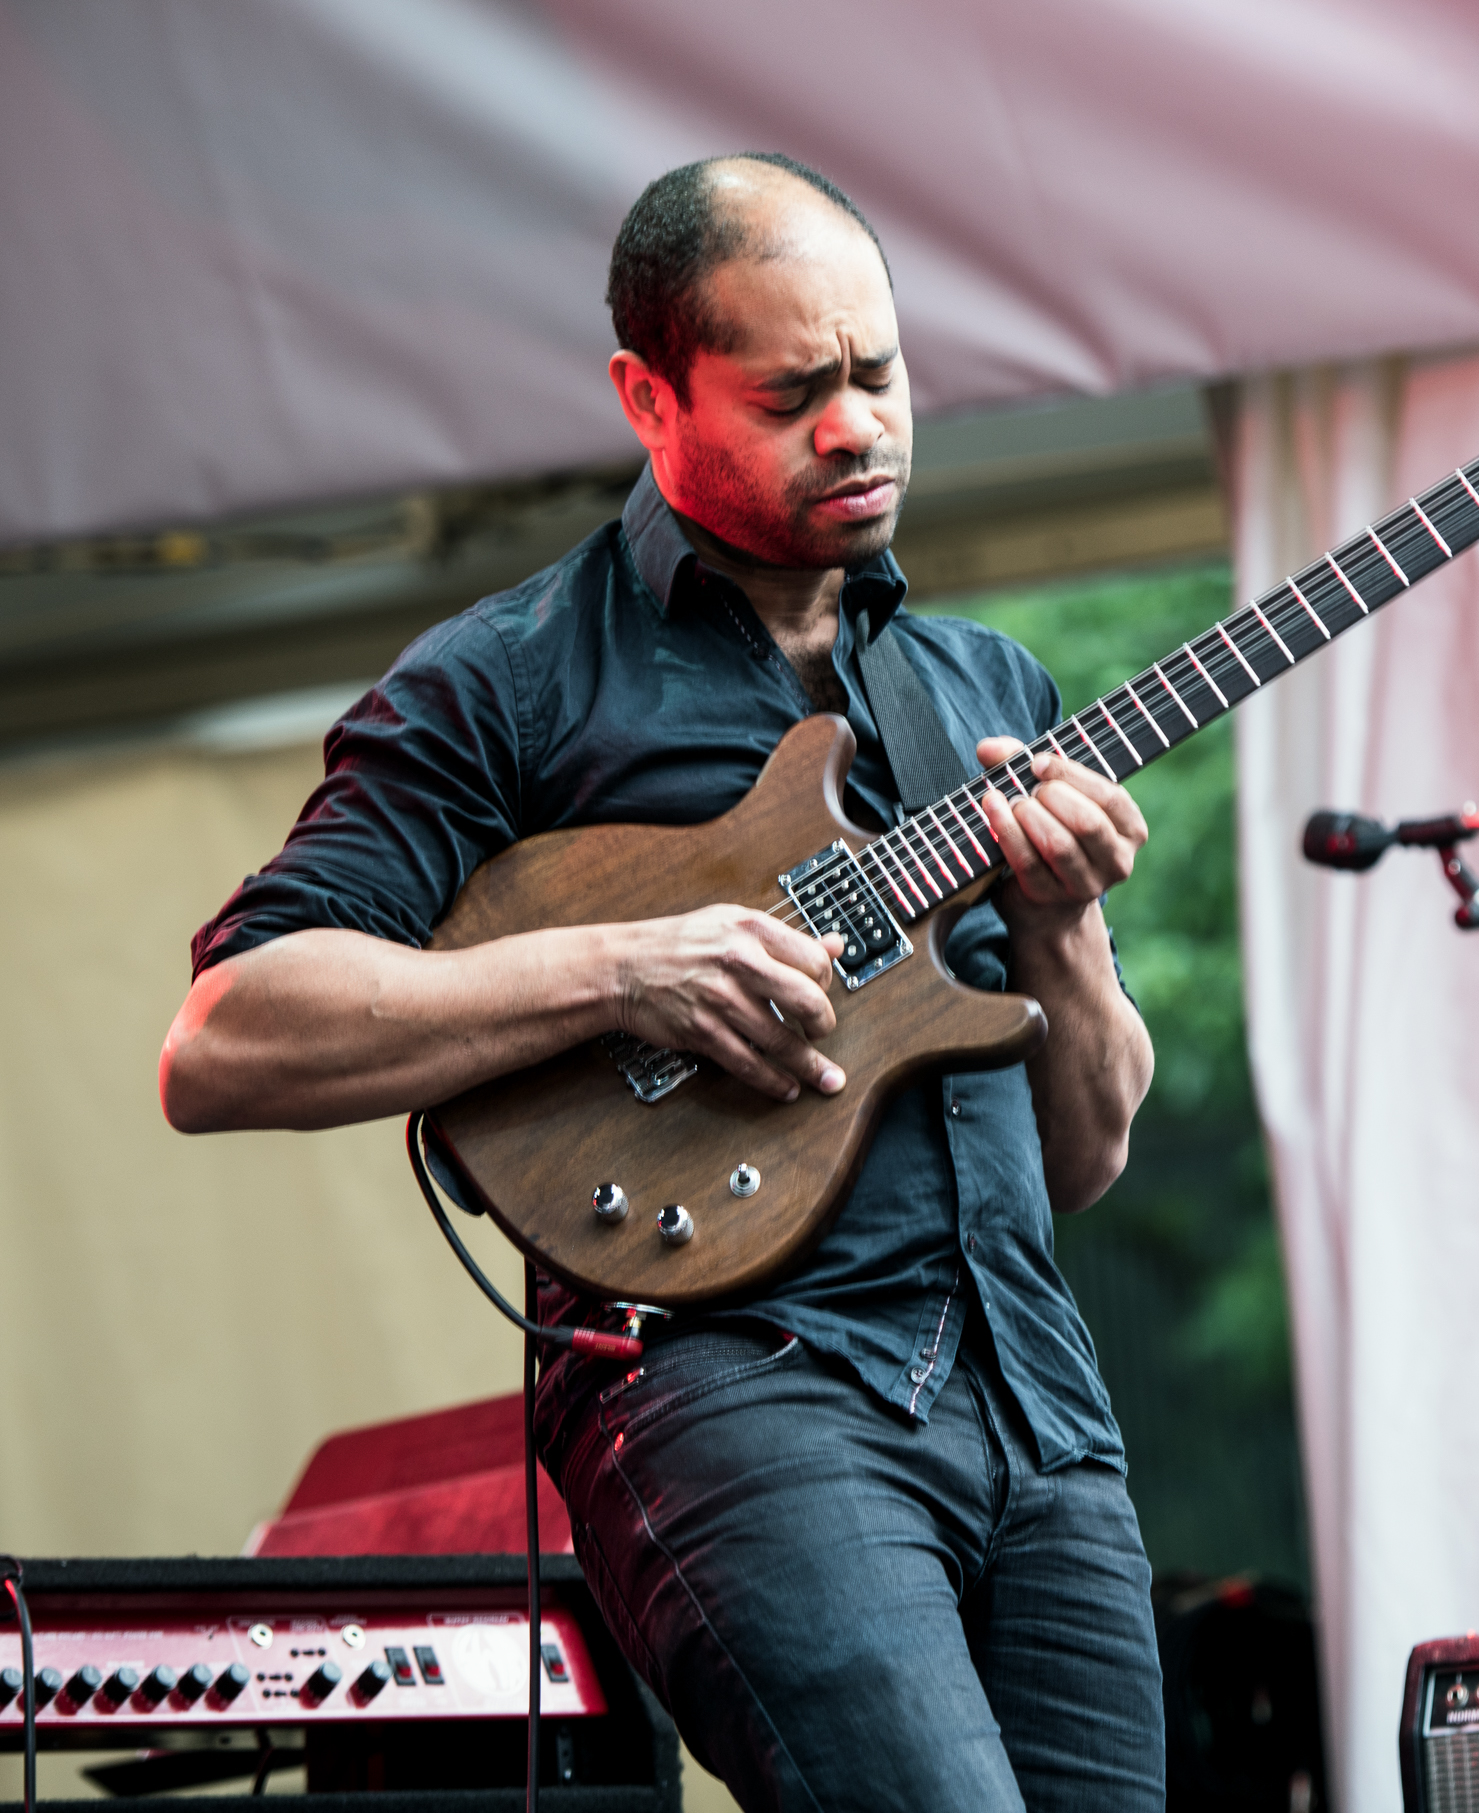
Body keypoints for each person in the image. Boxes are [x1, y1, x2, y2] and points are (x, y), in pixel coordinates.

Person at [159, 153, 1166, 1813]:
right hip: (741, 1392)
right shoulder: (510, 680)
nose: (855, 426)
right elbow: (225, 1038)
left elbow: (1081, 1158)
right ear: (649, 393)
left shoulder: (987, 686)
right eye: (793, 394)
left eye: (880, 374)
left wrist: (1061, 929)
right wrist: (623, 965)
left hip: (1039, 1408)